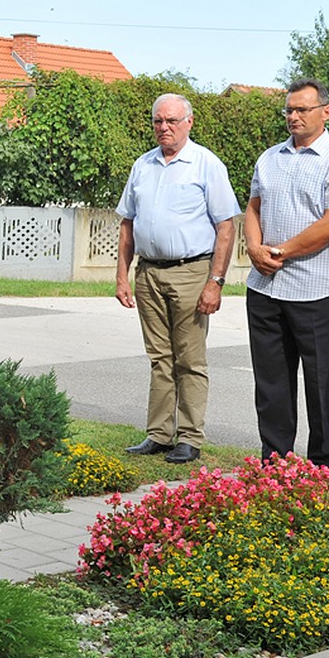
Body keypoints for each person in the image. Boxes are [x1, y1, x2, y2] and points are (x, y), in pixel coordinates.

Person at [116, 94, 241, 464]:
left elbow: (226, 226)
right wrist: (122, 275)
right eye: (158, 121)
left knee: (189, 358)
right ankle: (158, 433)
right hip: (149, 272)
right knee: (159, 357)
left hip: (191, 272)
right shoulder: (143, 165)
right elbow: (127, 223)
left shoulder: (205, 164)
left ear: (189, 122)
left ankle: (189, 436)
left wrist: (215, 281)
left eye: (171, 120)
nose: (164, 127)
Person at [244, 78, 329, 470]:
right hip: (265, 287)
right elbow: (253, 209)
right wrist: (254, 249)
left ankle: (324, 471)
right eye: (289, 110)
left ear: (325, 112)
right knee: (272, 384)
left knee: (322, 385)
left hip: (315, 291)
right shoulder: (269, 158)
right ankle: (274, 465)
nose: (293, 117)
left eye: (302, 110)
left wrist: (278, 251)